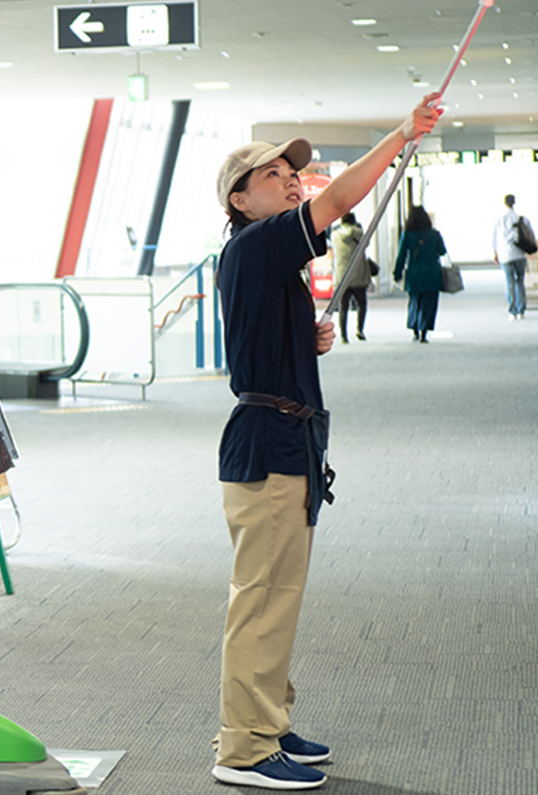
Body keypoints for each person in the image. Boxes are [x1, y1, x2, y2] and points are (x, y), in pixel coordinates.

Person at [211, 92, 441, 790]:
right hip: (267, 445)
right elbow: (338, 199)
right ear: (240, 201)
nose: (290, 179)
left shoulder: (269, 263)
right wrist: (401, 134)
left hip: (291, 439)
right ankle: (244, 747)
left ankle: (270, 721)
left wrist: (303, 343)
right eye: (271, 175)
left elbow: (262, 344)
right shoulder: (256, 244)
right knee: (261, 595)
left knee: (280, 595)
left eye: (291, 172)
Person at [393, 205, 446, 343]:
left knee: (415, 301)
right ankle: (424, 331)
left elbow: (401, 255)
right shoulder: (434, 234)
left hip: (414, 273)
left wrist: (397, 272)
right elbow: (442, 251)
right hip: (432, 273)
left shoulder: (407, 235)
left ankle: (414, 328)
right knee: (429, 302)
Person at [332, 212, 374, 343]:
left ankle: (344, 336)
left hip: (342, 275)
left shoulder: (334, 235)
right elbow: (366, 244)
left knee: (343, 306)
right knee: (362, 303)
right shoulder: (359, 233)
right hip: (358, 273)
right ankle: (359, 329)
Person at [492, 194, 531, 320]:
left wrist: (495, 253)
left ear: (505, 203)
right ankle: (521, 310)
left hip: (505, 255)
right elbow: (531, 235)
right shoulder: (522, 219)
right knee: (520, 281)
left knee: (509, 281)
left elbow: (494, 238)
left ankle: (512, 311)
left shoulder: (499, 219)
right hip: (519, 254)